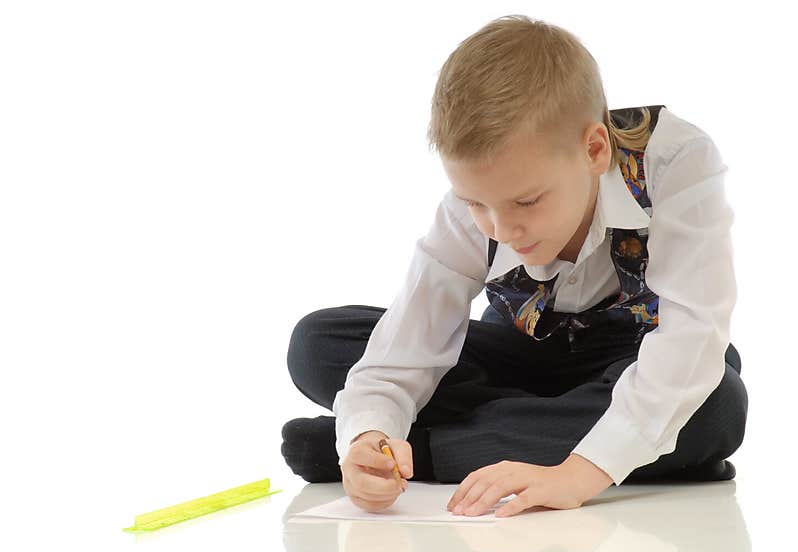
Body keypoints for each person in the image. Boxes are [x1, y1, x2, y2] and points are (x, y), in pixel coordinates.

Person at [282, 14, 748, 518]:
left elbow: (693, 334)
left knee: (714, 398)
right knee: (319, 342)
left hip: (631, 355)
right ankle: (551, 434)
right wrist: (370, 435)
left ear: (593, 149)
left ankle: (436, 448)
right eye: (477, 204)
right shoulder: (475, 206)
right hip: (522, 353)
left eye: (526, 202)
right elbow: (406, 345)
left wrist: (578, 476)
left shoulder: (676, 162)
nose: (501, 230)